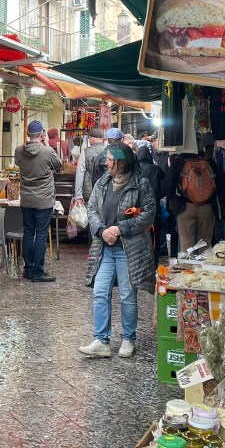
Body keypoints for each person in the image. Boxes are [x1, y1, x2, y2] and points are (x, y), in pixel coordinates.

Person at [79, 145, 156, 358]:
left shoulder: (141, 185)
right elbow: (92, 209)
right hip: (105, 248)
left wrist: (121, 229)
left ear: (123, 162)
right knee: (100, 292)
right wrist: (102, 231)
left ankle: (128, 339)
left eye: (112, 159)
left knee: (127, 296)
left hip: (128, 250)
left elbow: (148, 214)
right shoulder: (102, 183)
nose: (107, 163)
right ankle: (101, 340)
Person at [14, 120, 61, 282]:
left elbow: (18, 163)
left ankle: (28, 269)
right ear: (42, 134)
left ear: (27, 134)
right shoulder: (47, 151)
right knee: (41, 234)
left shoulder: (19, 150)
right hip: (44, 200)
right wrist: (47, 144)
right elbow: (58, 165)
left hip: (26, 198)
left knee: (28, 232)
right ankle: (38, 271)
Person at [165, 144, 220, 252]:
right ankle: (205, 268)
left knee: (187, 247)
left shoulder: (178, 161)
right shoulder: (209, 161)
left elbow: (167, 186)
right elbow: (220, 184)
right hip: (207, 207)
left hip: (185, 207)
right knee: (205, 244)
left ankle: (188, 268)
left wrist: (173, 201)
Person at [135, 141, 165, 257]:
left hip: (136, 208)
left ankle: (141, 257)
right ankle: (155, 258)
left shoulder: (134, 170)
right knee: (156, 234)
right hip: (154, 207)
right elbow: (164, 189)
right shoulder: (156, 169)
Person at [74, 128, 106, 203]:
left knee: (91, 213)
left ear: (92, 139)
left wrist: (78, 195)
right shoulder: (110, 150)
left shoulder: (85, 152)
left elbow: (80, 173)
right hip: (107, 191)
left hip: (90, 192)